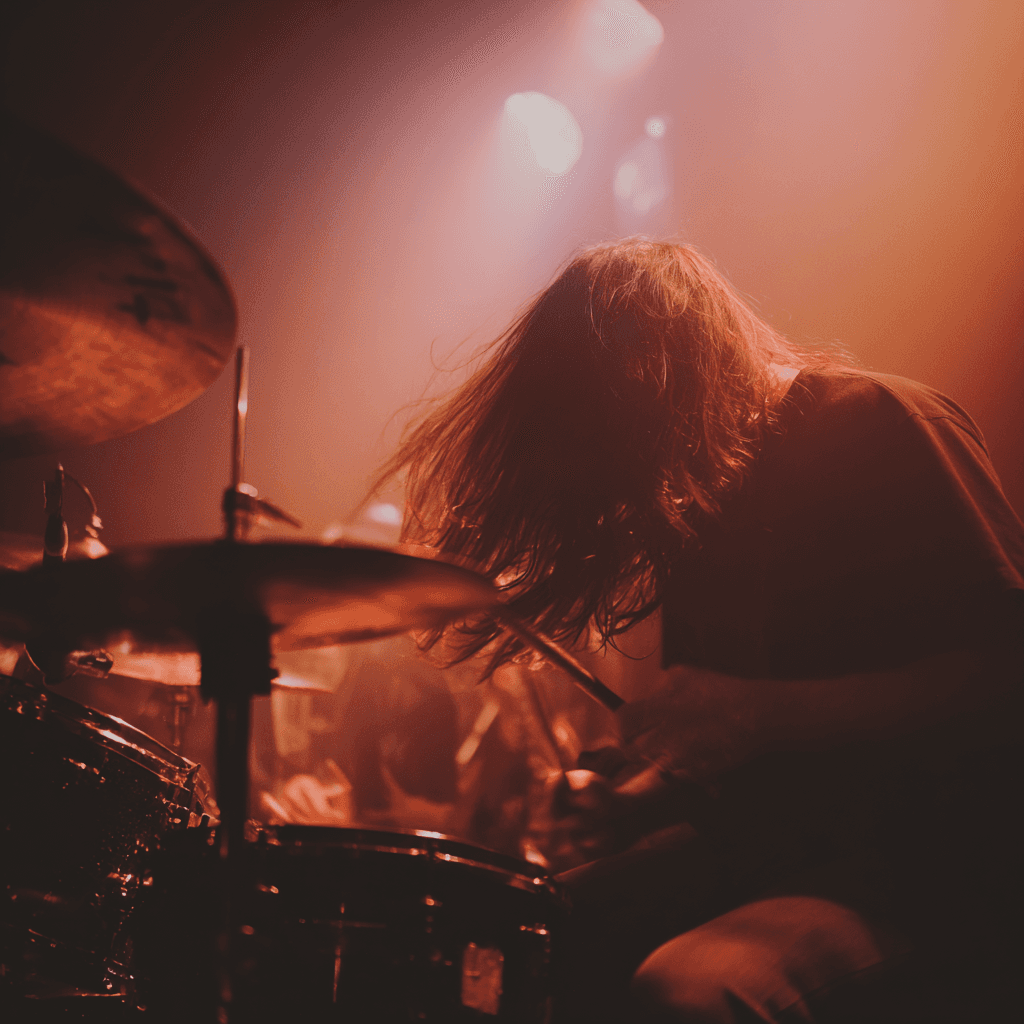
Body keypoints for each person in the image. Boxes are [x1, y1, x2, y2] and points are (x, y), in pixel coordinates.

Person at [372, 239, 1023, 1022]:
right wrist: (637, 798)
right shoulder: (704, 502)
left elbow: (1003, 666)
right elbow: (745, 762)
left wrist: (757, 712)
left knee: (688, 992)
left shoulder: (882, 419)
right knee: (496, 938)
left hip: (931, 869)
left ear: (651, 373)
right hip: (774, 856)